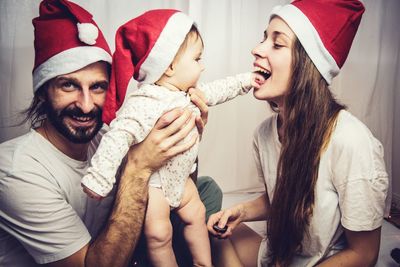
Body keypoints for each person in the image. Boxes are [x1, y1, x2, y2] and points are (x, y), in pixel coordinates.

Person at [0, 1, 222, 266]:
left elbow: (170, 186)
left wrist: (188, 137)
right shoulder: (15, 170)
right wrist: (138, 167)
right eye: (69, 85)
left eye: (97, 87)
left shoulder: (106, 137)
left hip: (125, 247)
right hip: (101, 259)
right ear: (43, 91)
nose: (85, 104)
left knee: (206, 190)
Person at [207, 0, 389, 266]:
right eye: (263, 38)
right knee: (207, 229)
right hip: (278, 256)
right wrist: (240, 212)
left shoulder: (351, 141)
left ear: (308, 66)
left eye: (277, 44)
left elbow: (365, 254)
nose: (256, 49)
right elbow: (282, 200)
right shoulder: (264, 135)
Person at [80, 9, 256, 267]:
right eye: (197, 59)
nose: (202, 65)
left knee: (196, 214)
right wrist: (99, 178)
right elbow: (117, 136)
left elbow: (221, 89)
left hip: (181, 179)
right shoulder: (143, 103)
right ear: (170, 65)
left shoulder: (188, 94)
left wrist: (248, 81)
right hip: (156, 185)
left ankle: (203, 263)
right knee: (159, 234)